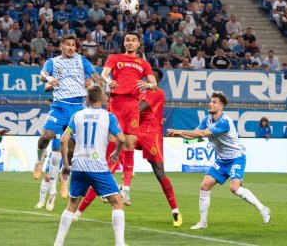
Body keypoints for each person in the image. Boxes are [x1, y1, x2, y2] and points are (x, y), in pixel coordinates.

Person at [74, 68, 183, 227]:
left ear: (156, 81)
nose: (145, 80)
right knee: (108, 165)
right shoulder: (137, 92)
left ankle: (175, 211)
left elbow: (137, 108)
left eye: (150, 79)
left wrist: (114, 100)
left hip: (151, 134)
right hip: (135, 130)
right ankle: (81, 210)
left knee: (159, 172)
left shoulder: (157, 92)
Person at [167, 92, 271, 229]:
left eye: (214, 102)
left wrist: (179, 130)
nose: (210, 104)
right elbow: (193, 136)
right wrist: (177, 135)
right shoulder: (207, 119)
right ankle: (203, 223)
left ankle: (263, 209)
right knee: (204, 186)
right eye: (210, 102)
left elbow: (202, 133)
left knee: (234, 188)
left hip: (236, 158)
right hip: (222, 160)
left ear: (221, 107)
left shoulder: (225, 121)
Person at [34, 34, 102, 211]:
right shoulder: (53, 62)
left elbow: (96, 75)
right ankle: (39, 160)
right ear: (61, 46)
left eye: (74, 45)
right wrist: (49, 79)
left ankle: (65, 180)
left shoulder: (81, 61)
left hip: (77, 108)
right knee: (44, 137)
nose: (71, 48)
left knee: (71, 149)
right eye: (68, 45)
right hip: (59, 106)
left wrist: (104, 82)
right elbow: (42, 75)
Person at [54, 85, 126, 246]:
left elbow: (63, 140)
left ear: (87, 99)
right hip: (97, 165)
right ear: (102, 98)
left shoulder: (77, 115)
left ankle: (58, 243)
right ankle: (120, 243)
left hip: (78, 165)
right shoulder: (109, 117)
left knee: (72, 204)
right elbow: (121, 138)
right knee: (117, 201)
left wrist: (66, 164)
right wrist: (116, 152)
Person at [101, 31, 157, 205]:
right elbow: (103, 74)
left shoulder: (144, 64)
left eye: (133, 40)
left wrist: (147, 84)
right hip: (116, 104)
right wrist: (108, 81)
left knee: (130, 144)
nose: (130, 43)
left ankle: (126, 189)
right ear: (124, 43)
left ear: (139, 44)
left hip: (133, 106)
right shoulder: (115, 58)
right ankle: (107, 187)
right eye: (127, 40)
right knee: (113, 141)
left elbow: (154, 85)